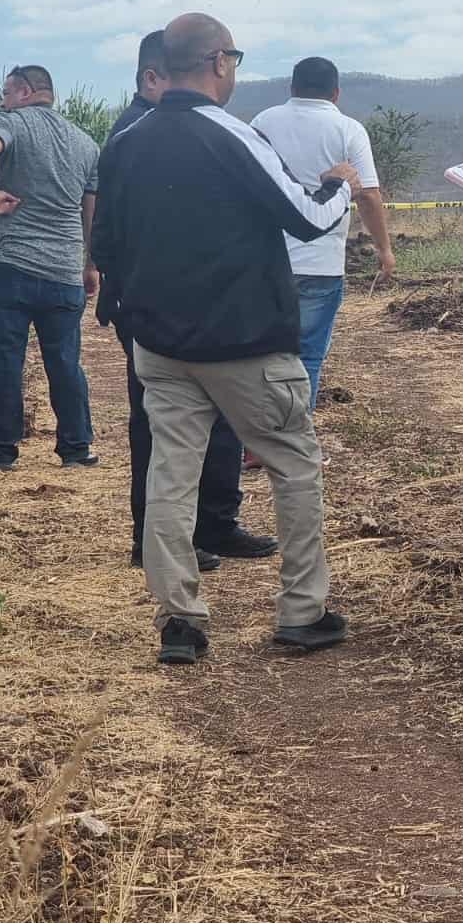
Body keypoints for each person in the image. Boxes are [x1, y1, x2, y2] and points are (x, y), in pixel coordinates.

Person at [92, 12, 352, 665]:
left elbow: (107, 245)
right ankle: (302, 612)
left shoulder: (126, 141)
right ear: (218, 62)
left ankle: (179, 621)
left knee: (170, 475)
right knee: (293, 464)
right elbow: (307, 217)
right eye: (233, 58)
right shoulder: (235, 135)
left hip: (160, 345)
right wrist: (338, 187)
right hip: (246, 343)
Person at [92, 30, 278, 572]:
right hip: (157, 309)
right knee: (160, 424)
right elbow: (109, 231)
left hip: (190, 305)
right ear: (154, 77)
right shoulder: (135, 135)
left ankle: (214, 523)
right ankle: (154, 538)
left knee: (214, 413)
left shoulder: (174, 131)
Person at [0, 65, 100, 471]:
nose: (3, 101)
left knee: (7, 360)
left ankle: (2, 450)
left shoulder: (12, 122)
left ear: (25, 92)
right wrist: (91, 265)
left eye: (6, 92)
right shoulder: (85, 143)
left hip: (11, 264)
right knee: (65, 361)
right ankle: (76, 448)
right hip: (64, 270)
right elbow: (92, 212)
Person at [251, 56, 394, 414]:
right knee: (308, 356)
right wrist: (384, 249)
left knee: (261, 356)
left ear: (292, 87)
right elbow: (368, 196)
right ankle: (295, 436)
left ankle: (257, 436)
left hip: (265, 264)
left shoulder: (262, 123)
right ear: (336, 93)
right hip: (320, 265)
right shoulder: (348, 130)